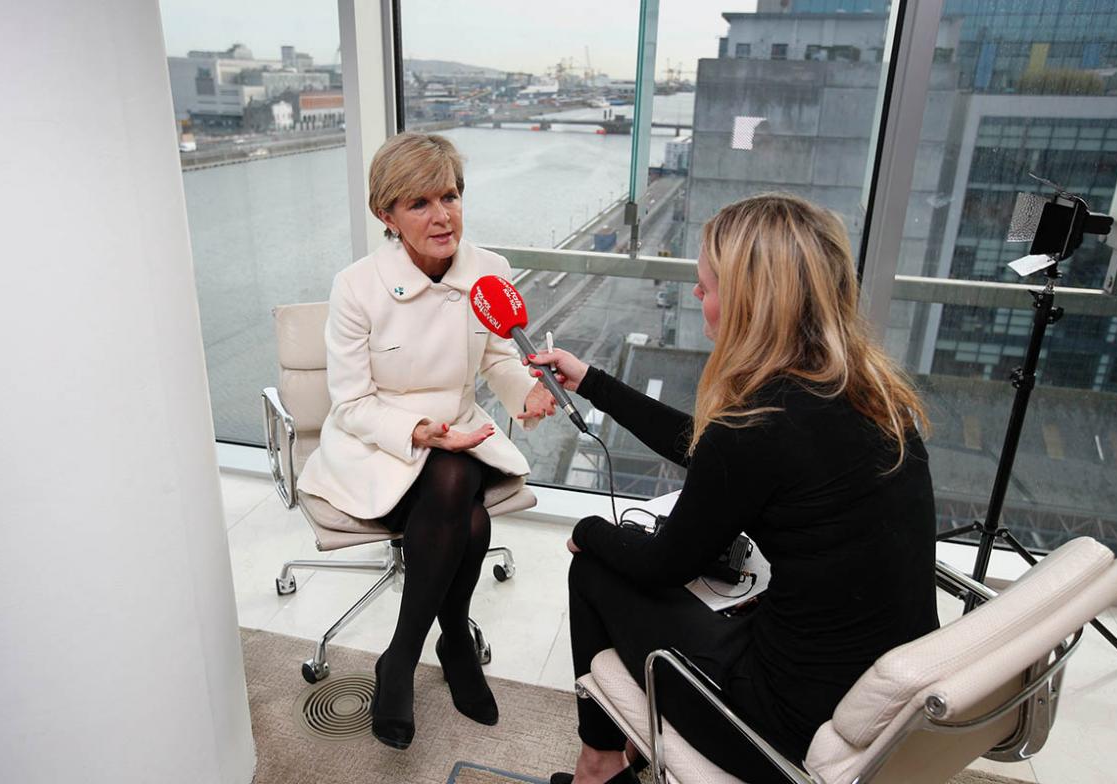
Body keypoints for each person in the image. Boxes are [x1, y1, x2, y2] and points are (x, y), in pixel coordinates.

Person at [527, 194, 940, 784]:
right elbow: (708, 451)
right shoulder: (867, 392)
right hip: (885, 699)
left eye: (708, 285)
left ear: (750, 303)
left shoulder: (761, 421)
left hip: (783, 726)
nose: (698, 295)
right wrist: (594, 382)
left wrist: (590, 532)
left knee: (596, 570)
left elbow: (660, 566)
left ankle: (597, 768)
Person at [297, 132, 556, 751]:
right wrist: (415, 431)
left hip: (457, 438)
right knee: (458, 497)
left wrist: (527, 396)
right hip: (376, 444)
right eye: (420, 203)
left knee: (454, 475)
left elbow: (500, 360)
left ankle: (405, 657)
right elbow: (352, 402)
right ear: (386, 216)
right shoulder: (356, 286)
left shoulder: (489, 271)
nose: (443, 216)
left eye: (451, 195)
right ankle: (447, 644)